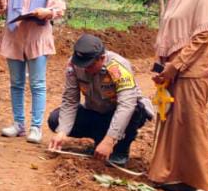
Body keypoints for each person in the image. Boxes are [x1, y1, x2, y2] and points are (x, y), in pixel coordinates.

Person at [147, 0, 208, 191]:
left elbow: (204, 36)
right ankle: (170, 173)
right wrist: (161, 64)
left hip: (193, 70)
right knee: (172, 121)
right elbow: (167, 32)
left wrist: (176, 65)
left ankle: (203, 185)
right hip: (173, 68)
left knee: (191, 123)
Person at [0, 0, 65, 144]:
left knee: (38, 83)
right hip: (14, 36)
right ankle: (18, 123)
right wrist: (0, 4)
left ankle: (35, 126)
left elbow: (59, 8)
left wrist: (46, 12)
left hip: (37, 38)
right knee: (16, 83)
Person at [47, 34, 154, 165]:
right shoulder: (74, 65)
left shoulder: (118, 66)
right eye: (82, 64)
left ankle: (120, 150)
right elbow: (70, 99)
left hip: (119, 114)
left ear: (102, 58)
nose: (85, 69)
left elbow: (126, 105)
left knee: (135, 110)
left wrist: (110, 139)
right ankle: (99, 139)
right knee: (55, 120)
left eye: (90, 65)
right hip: (96, 112)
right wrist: (62, 131)